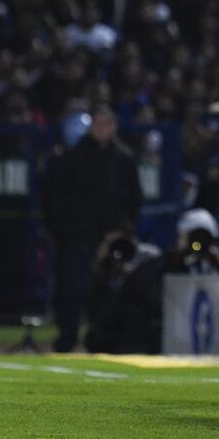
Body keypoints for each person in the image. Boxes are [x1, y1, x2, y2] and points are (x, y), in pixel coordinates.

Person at [42, 104, 142, 352]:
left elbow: (133, 198)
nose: (102, 129)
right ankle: (67, 337)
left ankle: (101, 339)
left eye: (106, 124)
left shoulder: (123, 158)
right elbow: (59, 199)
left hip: (113, 238)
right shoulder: (74, 157)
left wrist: (124, 230)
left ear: (114, 127)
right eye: (97, 124)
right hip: (79, 237)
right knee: (72, 288)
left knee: (107, 291)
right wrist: (67, 232)